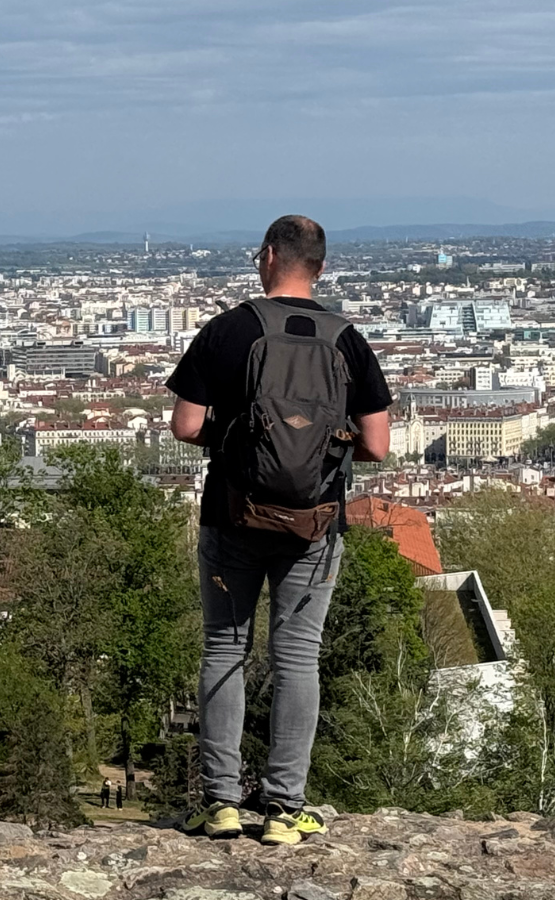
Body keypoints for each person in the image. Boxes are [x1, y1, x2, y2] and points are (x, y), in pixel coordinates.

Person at [165, 215, 391, 846]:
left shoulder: (229, 329)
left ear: (267, 257)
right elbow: (376, 444)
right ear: (319, 267)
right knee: (296, 659)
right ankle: (286, 810)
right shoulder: (347, 339)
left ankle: (221, 804)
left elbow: (185, 427)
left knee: (224, 650)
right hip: (314, 524)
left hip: (230, 515)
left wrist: (238, 440)